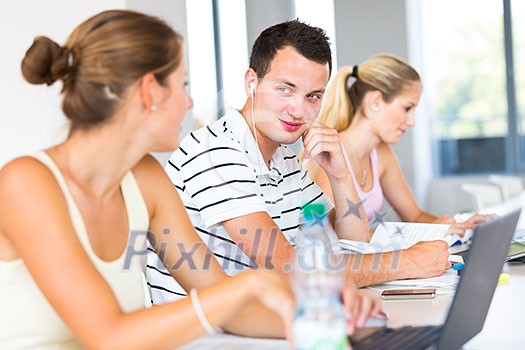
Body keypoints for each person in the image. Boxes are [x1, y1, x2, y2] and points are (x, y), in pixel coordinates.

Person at [0, 10, 299, 349]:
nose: (189, 103)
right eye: (181, 85)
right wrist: (248, 285)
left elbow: (231, 313)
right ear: (149, 92)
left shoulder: (146, 180)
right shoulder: (26, 183)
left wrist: (339, 321)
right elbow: (109, 336)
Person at [147, 20, 450, 301]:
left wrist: (341, 176)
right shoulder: (218, 151)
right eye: (285, 89)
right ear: (251, 82)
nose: (298, 111)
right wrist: (408, 262)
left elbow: (353, 244)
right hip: (208, 337)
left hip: (260, 324)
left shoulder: (284, 160)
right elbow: (288, 270)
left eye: (313, 96)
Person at [310, 53, 490, 236]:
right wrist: (427, 231)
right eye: (407, 108)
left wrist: (461, 225)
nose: (412, 121)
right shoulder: (330, 155)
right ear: (375, 101)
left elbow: (416, 216)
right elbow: (333, 238)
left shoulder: (381, 154)